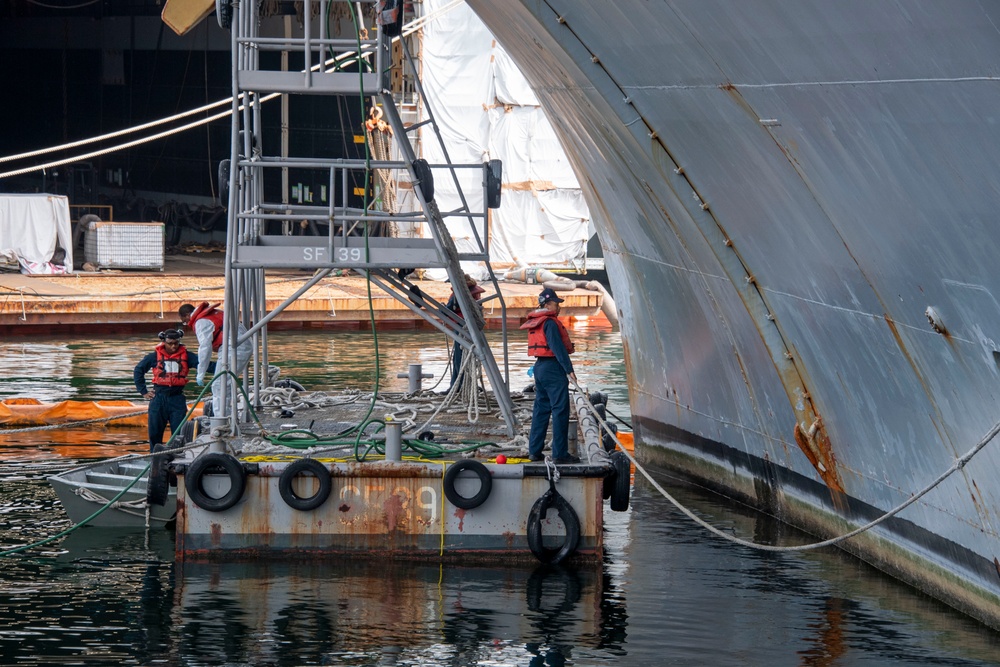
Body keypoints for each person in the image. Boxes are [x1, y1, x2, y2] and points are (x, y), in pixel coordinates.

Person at [520, 287, 579, 464]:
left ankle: (534, 451)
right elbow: (558, 348)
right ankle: (560, 454)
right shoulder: (550, 323)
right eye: (555, 303)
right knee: (560, 410)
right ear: (546, 304)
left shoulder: (539, 322)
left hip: (540, 368)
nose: (558, 307)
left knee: (541, 410)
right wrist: (569, 369)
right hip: (553, 369)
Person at [133, 329, 201, 451]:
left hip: (177, 398)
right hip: (158, 398)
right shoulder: (154, 356)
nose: (173, 346)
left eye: (176, 343)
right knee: (155, 433)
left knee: (179, 434)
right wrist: (143, 391)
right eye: (170, 343)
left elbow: (204, 364)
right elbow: (138, 370)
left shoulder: (187, 356)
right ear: (164, 342)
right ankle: (155, 458)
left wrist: (223, 366)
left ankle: (178, 456)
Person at [445, 274, 486, 390]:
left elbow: (448, 310)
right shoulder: (469, 291)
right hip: (469, 327)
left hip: (462, 327)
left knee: (459, 358)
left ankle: (458, 386)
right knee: (465, 358)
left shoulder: (460, 294)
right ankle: (464, 385)